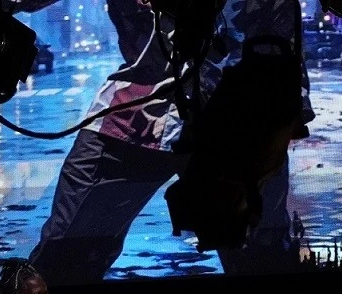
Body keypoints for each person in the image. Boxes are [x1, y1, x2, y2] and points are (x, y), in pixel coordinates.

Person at [31, 0, 304, 278]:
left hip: (242, 121)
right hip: (137, 115)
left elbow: (282, 36)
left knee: (263, 258)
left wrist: (286, 115)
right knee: (63, 256)